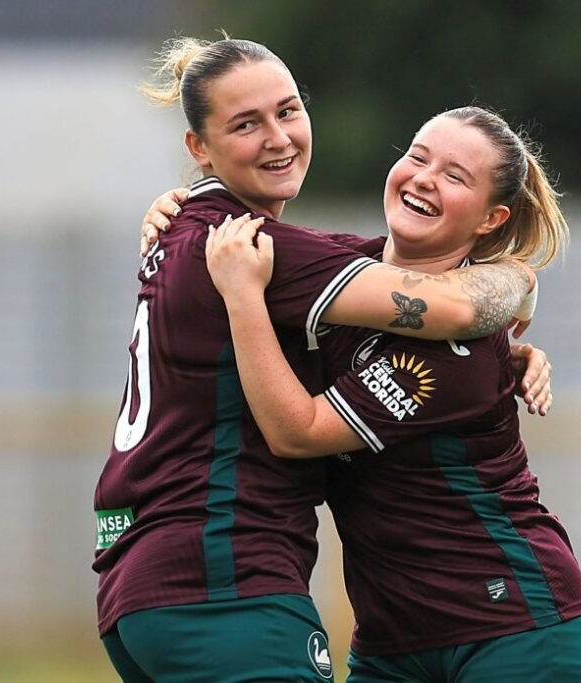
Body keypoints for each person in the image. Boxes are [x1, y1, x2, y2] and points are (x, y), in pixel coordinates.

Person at [93, 36, 546, 683]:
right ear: (200, 148)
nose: (279, 137)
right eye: (246, 124)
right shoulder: (253, 249)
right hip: (224, 578)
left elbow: (375, 278)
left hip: (141, 586)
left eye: (288, 110)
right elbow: (452, 309)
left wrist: (515, 346)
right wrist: (519, 278)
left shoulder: (188, 228)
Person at [203, 106, 581, 681]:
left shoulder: (458, 350)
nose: (423, 177)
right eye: (417, 157)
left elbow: (300, 433)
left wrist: (243, 298)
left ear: (492, 218)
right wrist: (175, 207)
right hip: (390, 645)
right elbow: (232, 235)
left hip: (515, 630)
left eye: (454, 176)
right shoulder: (345, 268)